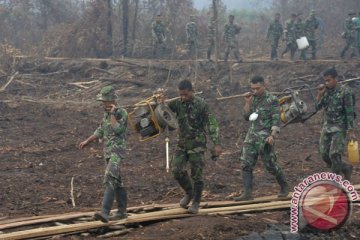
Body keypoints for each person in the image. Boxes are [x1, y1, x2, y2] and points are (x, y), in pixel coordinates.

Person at [163, 80, 222, 214]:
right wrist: (160, 102)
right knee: (176, 169)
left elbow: (212, 123)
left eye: (185, 94)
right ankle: (189, 192)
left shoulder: (201, 105)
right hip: (182, 143)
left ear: (191, 91)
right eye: (181, 95)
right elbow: (163, 111)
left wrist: (216, 143)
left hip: (197, 144)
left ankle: (196, 202)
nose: (183, 97)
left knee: (197, 174)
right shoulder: (178, 103)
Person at [234, 75, 289, 201]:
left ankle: (284, 186)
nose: (254, 91)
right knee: (246, 164)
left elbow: (276, 120)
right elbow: (247, 117)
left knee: (270, 165)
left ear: (264, 86)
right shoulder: (253, 99)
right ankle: (247, 194)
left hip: (264, 138)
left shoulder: (272, 100)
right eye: (252, 88)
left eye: (257, 88)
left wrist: (272, 136)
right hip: (251, 136)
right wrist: (247, 102)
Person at [79, 86, 128, 223]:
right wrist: (87, 141)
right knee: (117, 181)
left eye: (105, 101)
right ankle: (122, 212)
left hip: (117, 150)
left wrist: (112, 114)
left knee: (110, 177)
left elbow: (117, 129)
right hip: (108, 151)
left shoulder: (121, 113)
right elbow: (100, 130)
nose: (103, 104)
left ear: (112, 101)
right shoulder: (106, 115)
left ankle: (105, 212)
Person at [316, 67, 356, 180]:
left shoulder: (345, 92)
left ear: (335, 79)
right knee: (324, 154)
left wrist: (351, 130)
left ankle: (335, 181)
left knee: (334, 154)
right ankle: (345, 168)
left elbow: (349, 112)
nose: (326, 83)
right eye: (325, 81)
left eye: (329, 80)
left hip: (340, 127)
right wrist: (320, 94)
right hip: (327, 126)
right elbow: (317, 107)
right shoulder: (326, 91)